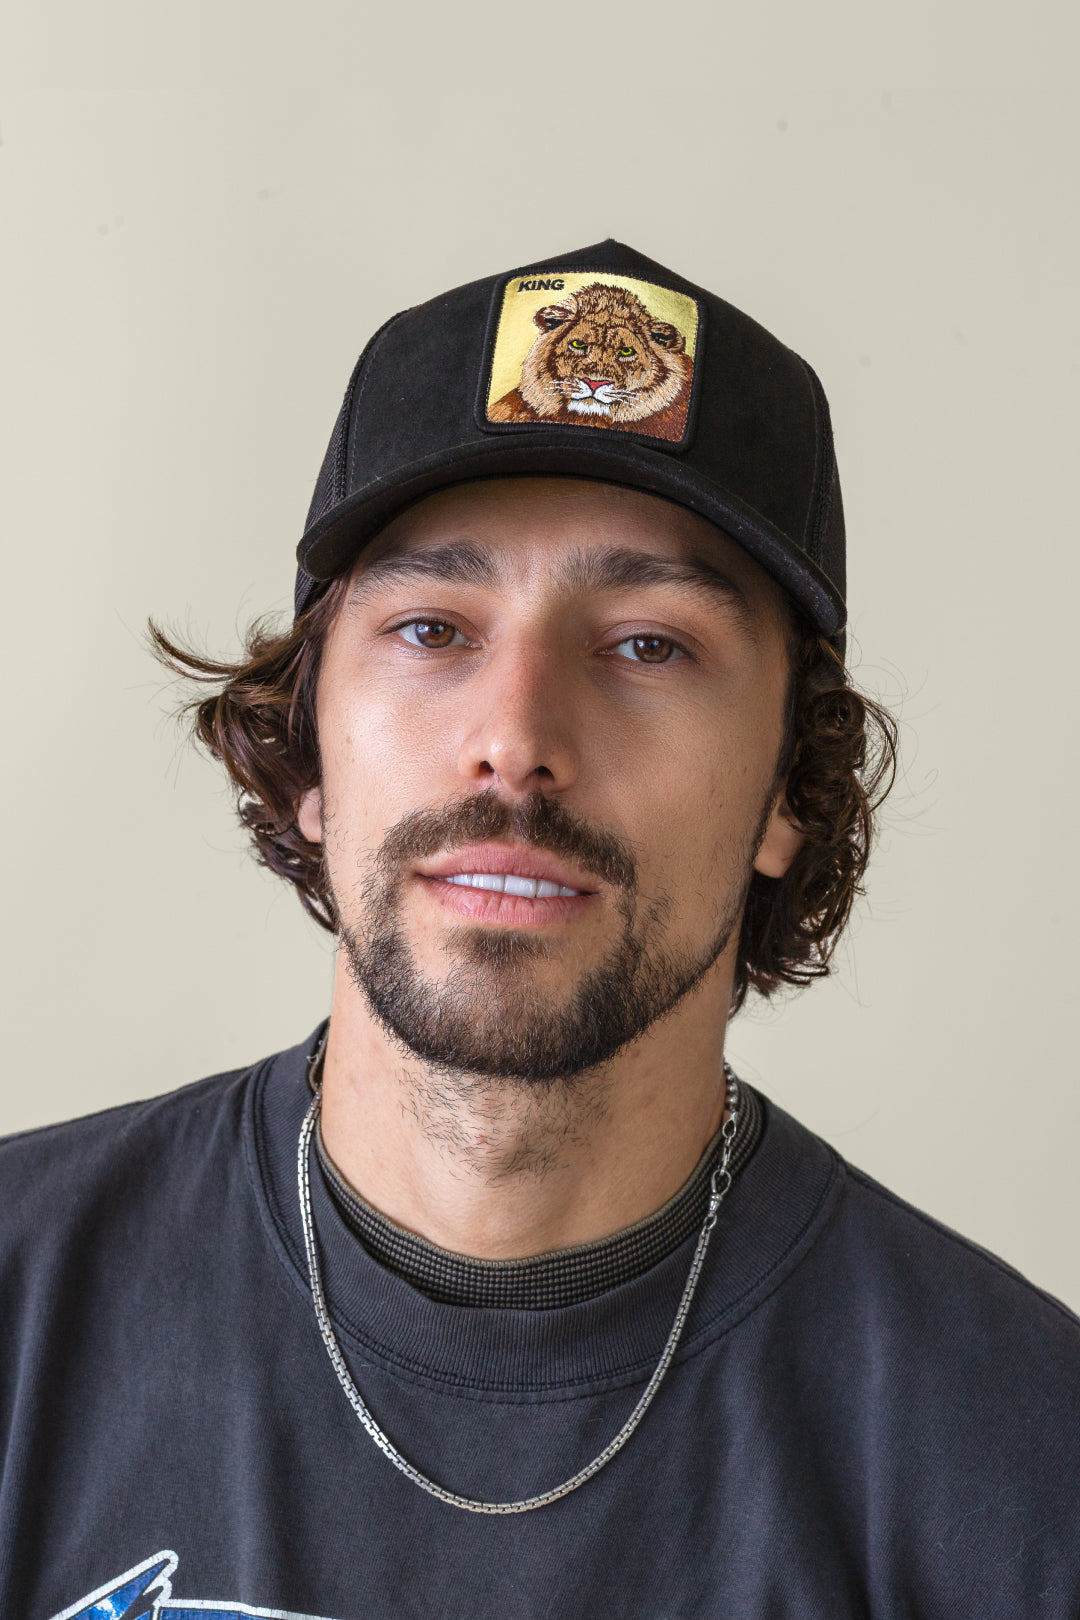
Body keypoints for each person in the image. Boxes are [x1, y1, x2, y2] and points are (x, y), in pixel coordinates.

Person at [6, 241, 1079, 1620]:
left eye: (648, 645)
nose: (515, 740)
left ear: (786, 792)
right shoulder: (24, 1312)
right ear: (310, 750)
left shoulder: (1022, 1470)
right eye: (433, 629)